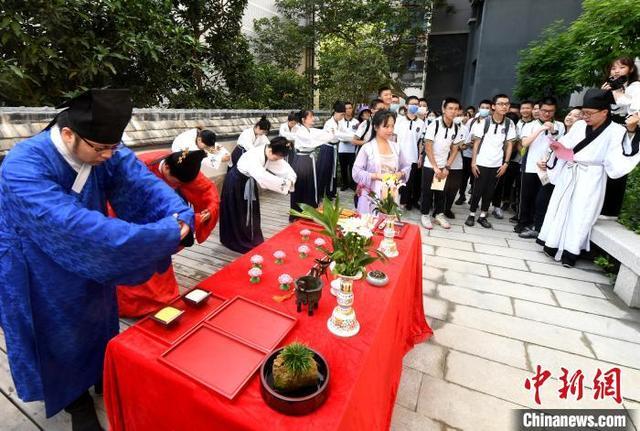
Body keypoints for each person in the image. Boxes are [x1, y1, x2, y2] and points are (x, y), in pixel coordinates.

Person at [0, 89, 194, 430]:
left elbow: (141, 183)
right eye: (100, 148)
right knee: (54, 332)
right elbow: (70, 224)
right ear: (68, 134)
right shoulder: (22, 165)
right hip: (35, 262)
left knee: (96, 316)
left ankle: (101, 373)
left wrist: (178, 214)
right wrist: (164, 234)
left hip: (89, 254)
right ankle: (74, 399)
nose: (108, 155)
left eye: (113, 147)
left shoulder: (104, 151)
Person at [538, 89, 640, 267]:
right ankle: (552, 245)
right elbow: (566, 144)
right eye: (583, 113)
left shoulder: (615, 131)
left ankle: (571, 252)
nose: (584, 117)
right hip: (569, 171)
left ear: (604, 112)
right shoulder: (579, 126)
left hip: (591, 177)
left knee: (581, 214)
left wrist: (631, 130)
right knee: (560, 207)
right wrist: (554, 150)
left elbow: (624, 153)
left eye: (589, 114)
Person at [116, 149, 220, 317]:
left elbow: (206, 188)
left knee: (160, 261)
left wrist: (208, 211)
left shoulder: (182, 164)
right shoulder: (139, 167)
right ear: (166, 169)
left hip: (166, 214)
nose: (178, 186)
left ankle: (161, 297)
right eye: (177, 182)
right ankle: (133, 305)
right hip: (131, 217)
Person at [220, 137, 296, 253]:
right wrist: (285, 183)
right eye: (276, 157)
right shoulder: (254, 157)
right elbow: (263, 177)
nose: (277, 160)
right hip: (236, 183)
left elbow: (283, 167)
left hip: (248, 183)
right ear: (271, 151)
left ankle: (250, 237)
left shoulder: (270, 151)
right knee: (238, 212)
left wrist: (291, 177)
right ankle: (235, 239)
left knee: (251, 212)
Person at [515, 96, 566, 237]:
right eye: (544, 110)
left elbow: (561, 146)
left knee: (542, 199)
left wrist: (553, 131)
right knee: (526, 197)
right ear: (539, 109)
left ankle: (537, 225)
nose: (547, 114)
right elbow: (525, 143)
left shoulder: (560, 126)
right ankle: (523, 223)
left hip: (548, 170)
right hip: (531, 167)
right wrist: (540, 129)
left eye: (550, 111)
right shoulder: (531, 125)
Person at [465, 94, 516, 229]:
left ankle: (482, 216)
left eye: (506, 104)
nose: (504, 106)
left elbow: (509, 144)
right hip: (481, 162)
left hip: (497, 163)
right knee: (477, 190)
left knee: (489, 191)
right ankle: (471, 214)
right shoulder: (484, 122)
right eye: (500, 104)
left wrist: (506, 163)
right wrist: (473, 162)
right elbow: (476, 143)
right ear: (493, 106)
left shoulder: (509, 123)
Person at [600, 57, 640, 217]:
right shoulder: (613, 86)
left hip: (626, 129)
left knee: (617, 168)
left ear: (630, 69)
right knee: (604, 165)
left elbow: (632, 107)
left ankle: (610, 211)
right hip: (609, 128)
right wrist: (603, 93)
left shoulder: (635, 86)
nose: (616, 71)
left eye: (621, 67)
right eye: (613, 68)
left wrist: (615, 91)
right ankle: (600, 205)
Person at [352, 110, 410, 214]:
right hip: (370, 196)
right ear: (375, 127)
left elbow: (406, 166)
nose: (390, 130)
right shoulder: (367, 148)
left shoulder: (396, 147)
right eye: (386, 126)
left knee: (387, 225)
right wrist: (376, 176)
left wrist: (399, 174)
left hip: (390, 195)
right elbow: (356, 172)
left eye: (392, 126)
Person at [421, 98, 466, 229]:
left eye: (456, 109)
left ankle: (439, 214)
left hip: (443, 165)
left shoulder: (456, 128)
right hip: (430, 165)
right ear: (443, 109)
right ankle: (425, 214)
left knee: (441, 192)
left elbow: (455, 149)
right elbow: (428, 147)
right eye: (450, 108)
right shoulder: (434, 125)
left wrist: (447, 166)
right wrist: (435, 167)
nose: (453, 111)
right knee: (427, 192)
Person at [290, 110, 335, 214]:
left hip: (309, 160)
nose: (313, 118)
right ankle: (296, 212)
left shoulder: (309, 130)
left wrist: (330, 133)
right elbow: (311, 141)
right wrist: (328, 136)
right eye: (311, 117)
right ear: (303, 119)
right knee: (300, 185)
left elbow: (320, 133)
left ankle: (308, 211)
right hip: (301, 160)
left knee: (309, 185)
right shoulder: (300, 131)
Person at [456, 99, 492, 205]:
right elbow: (466, 135)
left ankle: (473, 197)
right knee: (464, 177)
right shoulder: (472, 121)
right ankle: (461, 195)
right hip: (468, 154)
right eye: (483, 107)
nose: (484, 110)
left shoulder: (492, 122)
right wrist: (468, 143)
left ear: (491, 109)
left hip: (481, 156)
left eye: (487, 108)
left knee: (476, 178)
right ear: (479, 108)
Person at [395, 95, 423, 210]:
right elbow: (394, 138)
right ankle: (394, 201)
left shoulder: (421, 123)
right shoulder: (399, 121)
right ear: (406, 106)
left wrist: (420, 156)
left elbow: (421, 141)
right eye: (412, 103)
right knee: (396, 180)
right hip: (398, 156)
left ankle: (403, 203)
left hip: (412, 157)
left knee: (408, 182)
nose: (415, 106)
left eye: (417, 104)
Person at [320, 101, 351, 200]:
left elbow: (345, 131)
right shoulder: (329, 123)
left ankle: (331, 192)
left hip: (334, 148)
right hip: (327, 148)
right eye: (341, 114)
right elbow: (337, 134)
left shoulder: (340, 122)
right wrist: (352, 137)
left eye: (343, 115)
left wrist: (354, 135)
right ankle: (323, 193)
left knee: (333, 170)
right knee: (326, 170)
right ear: (335, 112)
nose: (342, 117)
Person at [443, 106, 468, 218]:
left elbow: (466, 145)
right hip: (443, 162)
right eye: (455, 114)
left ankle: (447, 208)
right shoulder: (443, 126)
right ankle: (438, 208)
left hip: (457, 163)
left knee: (453, 188)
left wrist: (463, 146)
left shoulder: (465, 129)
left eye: (459, 114)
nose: (457, 116)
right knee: (441, 187)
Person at [338, 102, 359, 191]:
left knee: (352, 167)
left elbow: (357, 134)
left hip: (352, 149)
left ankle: (353, 184)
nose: (348, 110)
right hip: (342, 149)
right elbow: (338, 134)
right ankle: (345, 184)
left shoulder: (356, 122)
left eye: (350, 108)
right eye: (346, 108)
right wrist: (346, 137)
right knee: (343, 167)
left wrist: (349, 137)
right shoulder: (339, 121)